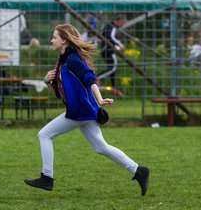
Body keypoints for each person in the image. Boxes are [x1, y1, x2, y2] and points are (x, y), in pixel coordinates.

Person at [24, 24, 149, 196]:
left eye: (54, 37)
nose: (51, 40)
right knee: (101, 148)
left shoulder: (72, 59)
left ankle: (47, 177)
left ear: (64, 40)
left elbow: (90, 78)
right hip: (84, 111)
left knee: (44, 134)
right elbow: (58, 94)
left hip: (80, 111)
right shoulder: (62, 61)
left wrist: (100, 99)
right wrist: (47, 81)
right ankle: (139, 170)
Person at [96, 16, 125, 96]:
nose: (123, 25)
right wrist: (119, 44)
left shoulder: (107, 25)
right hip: (109, 50)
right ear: (119, 21)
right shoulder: (113, 26)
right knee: (113, 67)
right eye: (123, 23)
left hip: (104, 50)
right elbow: (111, 37)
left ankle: (114, 88)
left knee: (112, 69)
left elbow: (101, 34)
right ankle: (97, 77)